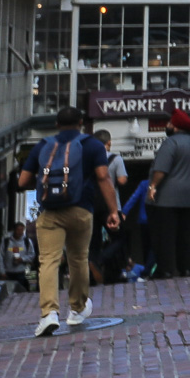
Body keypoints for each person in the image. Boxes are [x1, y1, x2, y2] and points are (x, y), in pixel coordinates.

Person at [18, 107, 121, 336]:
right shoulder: (93, 145)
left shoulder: (43, 146)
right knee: (78, 258)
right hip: (81, 209)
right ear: (81, 123)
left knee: (48, 261)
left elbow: (23, 180)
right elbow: (103, 177)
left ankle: (49, 314)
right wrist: (114, 211)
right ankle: (77, 309)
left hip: (49, 211)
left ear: (56, 125)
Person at [148, 109, 190, 278]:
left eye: (169, 124)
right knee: (188, 236)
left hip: (167, 198)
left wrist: (153, 186)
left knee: (165, 236)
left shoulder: (170, 144)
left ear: (175, 127)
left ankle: (167, 269)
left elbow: (161, 169)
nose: (167, 126)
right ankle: (187, 268)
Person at [0, 222, 33, 292]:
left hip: (21, 272)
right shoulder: (6, 241)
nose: (20, 232)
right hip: (8, 272)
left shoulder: (27, 241)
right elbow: (0, 256)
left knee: (20, 292)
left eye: (22, 230)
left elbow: (32, 255)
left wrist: (22, 259)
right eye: (18, 230)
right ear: (14, 230)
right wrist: (2, 271)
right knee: (8, 292)